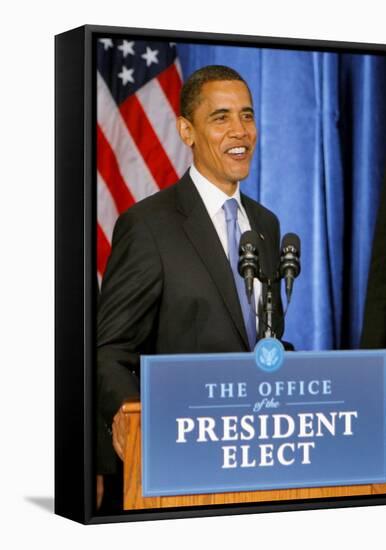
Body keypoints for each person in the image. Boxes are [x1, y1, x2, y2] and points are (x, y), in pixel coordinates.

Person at [96, 65, 285, 510]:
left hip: (258, 457)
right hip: (178, 460)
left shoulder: (267, 225)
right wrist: (136, 424)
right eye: (221, 117)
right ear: (186, 130)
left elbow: (258, 338)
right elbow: (110, 350)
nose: (240, 131)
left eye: (247, 115)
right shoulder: (148, 226)